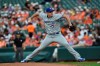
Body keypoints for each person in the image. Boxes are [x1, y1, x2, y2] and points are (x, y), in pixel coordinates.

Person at [21, 8, 85, 62]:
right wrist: (31, 17)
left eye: (52, 11)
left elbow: (66, 16)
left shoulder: (56, 16)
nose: (52, 13)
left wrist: (70, 24)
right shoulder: (43, 15)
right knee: (39, 48)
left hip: (58, 35)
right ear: (47, 13)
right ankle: (27, 59)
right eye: (50, 12)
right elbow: (37, 13)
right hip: (49, 36)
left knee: (67, 45)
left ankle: (78, 58)